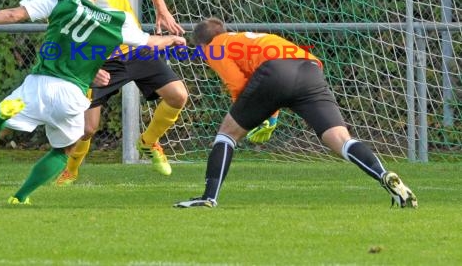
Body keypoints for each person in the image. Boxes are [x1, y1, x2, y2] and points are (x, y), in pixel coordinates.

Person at [0, 0, 186, 204]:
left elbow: (13, 14)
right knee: (64, 151)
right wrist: (172, 40)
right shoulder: (116, 19)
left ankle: (0, 117)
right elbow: (150, 42)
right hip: (71, 94)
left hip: (37, 84)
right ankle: (20, 197)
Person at [174, 17, 418, 209]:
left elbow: (239, 84)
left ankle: (208, 197)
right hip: (310, 68)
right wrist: (270, 113)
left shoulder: (215, 46)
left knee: (227, 134)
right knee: (341, 139)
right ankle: (385, 176)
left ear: (204, 45)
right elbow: (270, 80)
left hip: (276, 72)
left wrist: (250, 115)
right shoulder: (250, 38)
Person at [42, 0, 188, 183]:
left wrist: (162, 10)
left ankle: (149, 142)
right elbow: (63, 39)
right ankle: (71, 170)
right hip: (99, 62)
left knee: (178, 95)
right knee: (87, 128)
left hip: (135, 49)